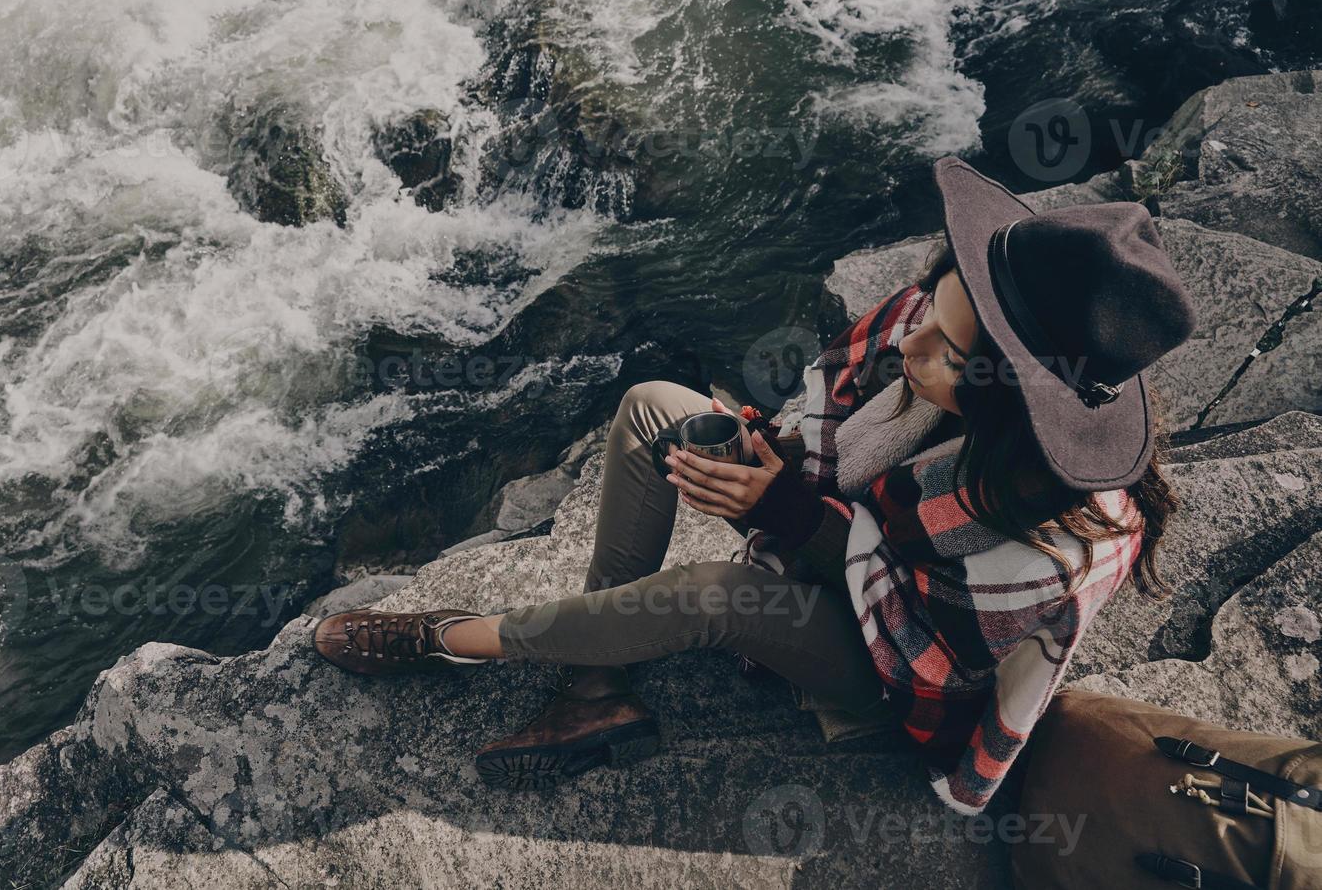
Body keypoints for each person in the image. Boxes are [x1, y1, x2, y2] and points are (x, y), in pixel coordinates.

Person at [312, 156, 1199, 814]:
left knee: (723, 593)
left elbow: (920, 637)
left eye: (951, 352)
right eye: (936, 305)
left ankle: (452, 640)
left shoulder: (1059, 537)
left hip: (887, 675)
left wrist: (780, 510)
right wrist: (759, 455)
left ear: (1021, 401)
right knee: (655, 406)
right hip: (838, 553)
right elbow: (830, 439)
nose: (912, 341)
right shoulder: (930, 317)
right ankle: (594, 689)